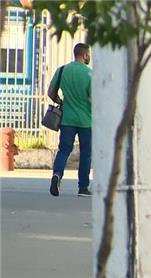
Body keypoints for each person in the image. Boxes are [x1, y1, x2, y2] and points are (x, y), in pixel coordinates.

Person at [48, 43, 93, 197]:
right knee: (86, 153)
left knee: (64, 150)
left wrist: (61, 102)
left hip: (67, 119)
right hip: (86, 121)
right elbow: (94, 98)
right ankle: (83, 187)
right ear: (85, 55)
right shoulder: (89, 74)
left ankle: (57, 175)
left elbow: (51, 92)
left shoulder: (62, 70)